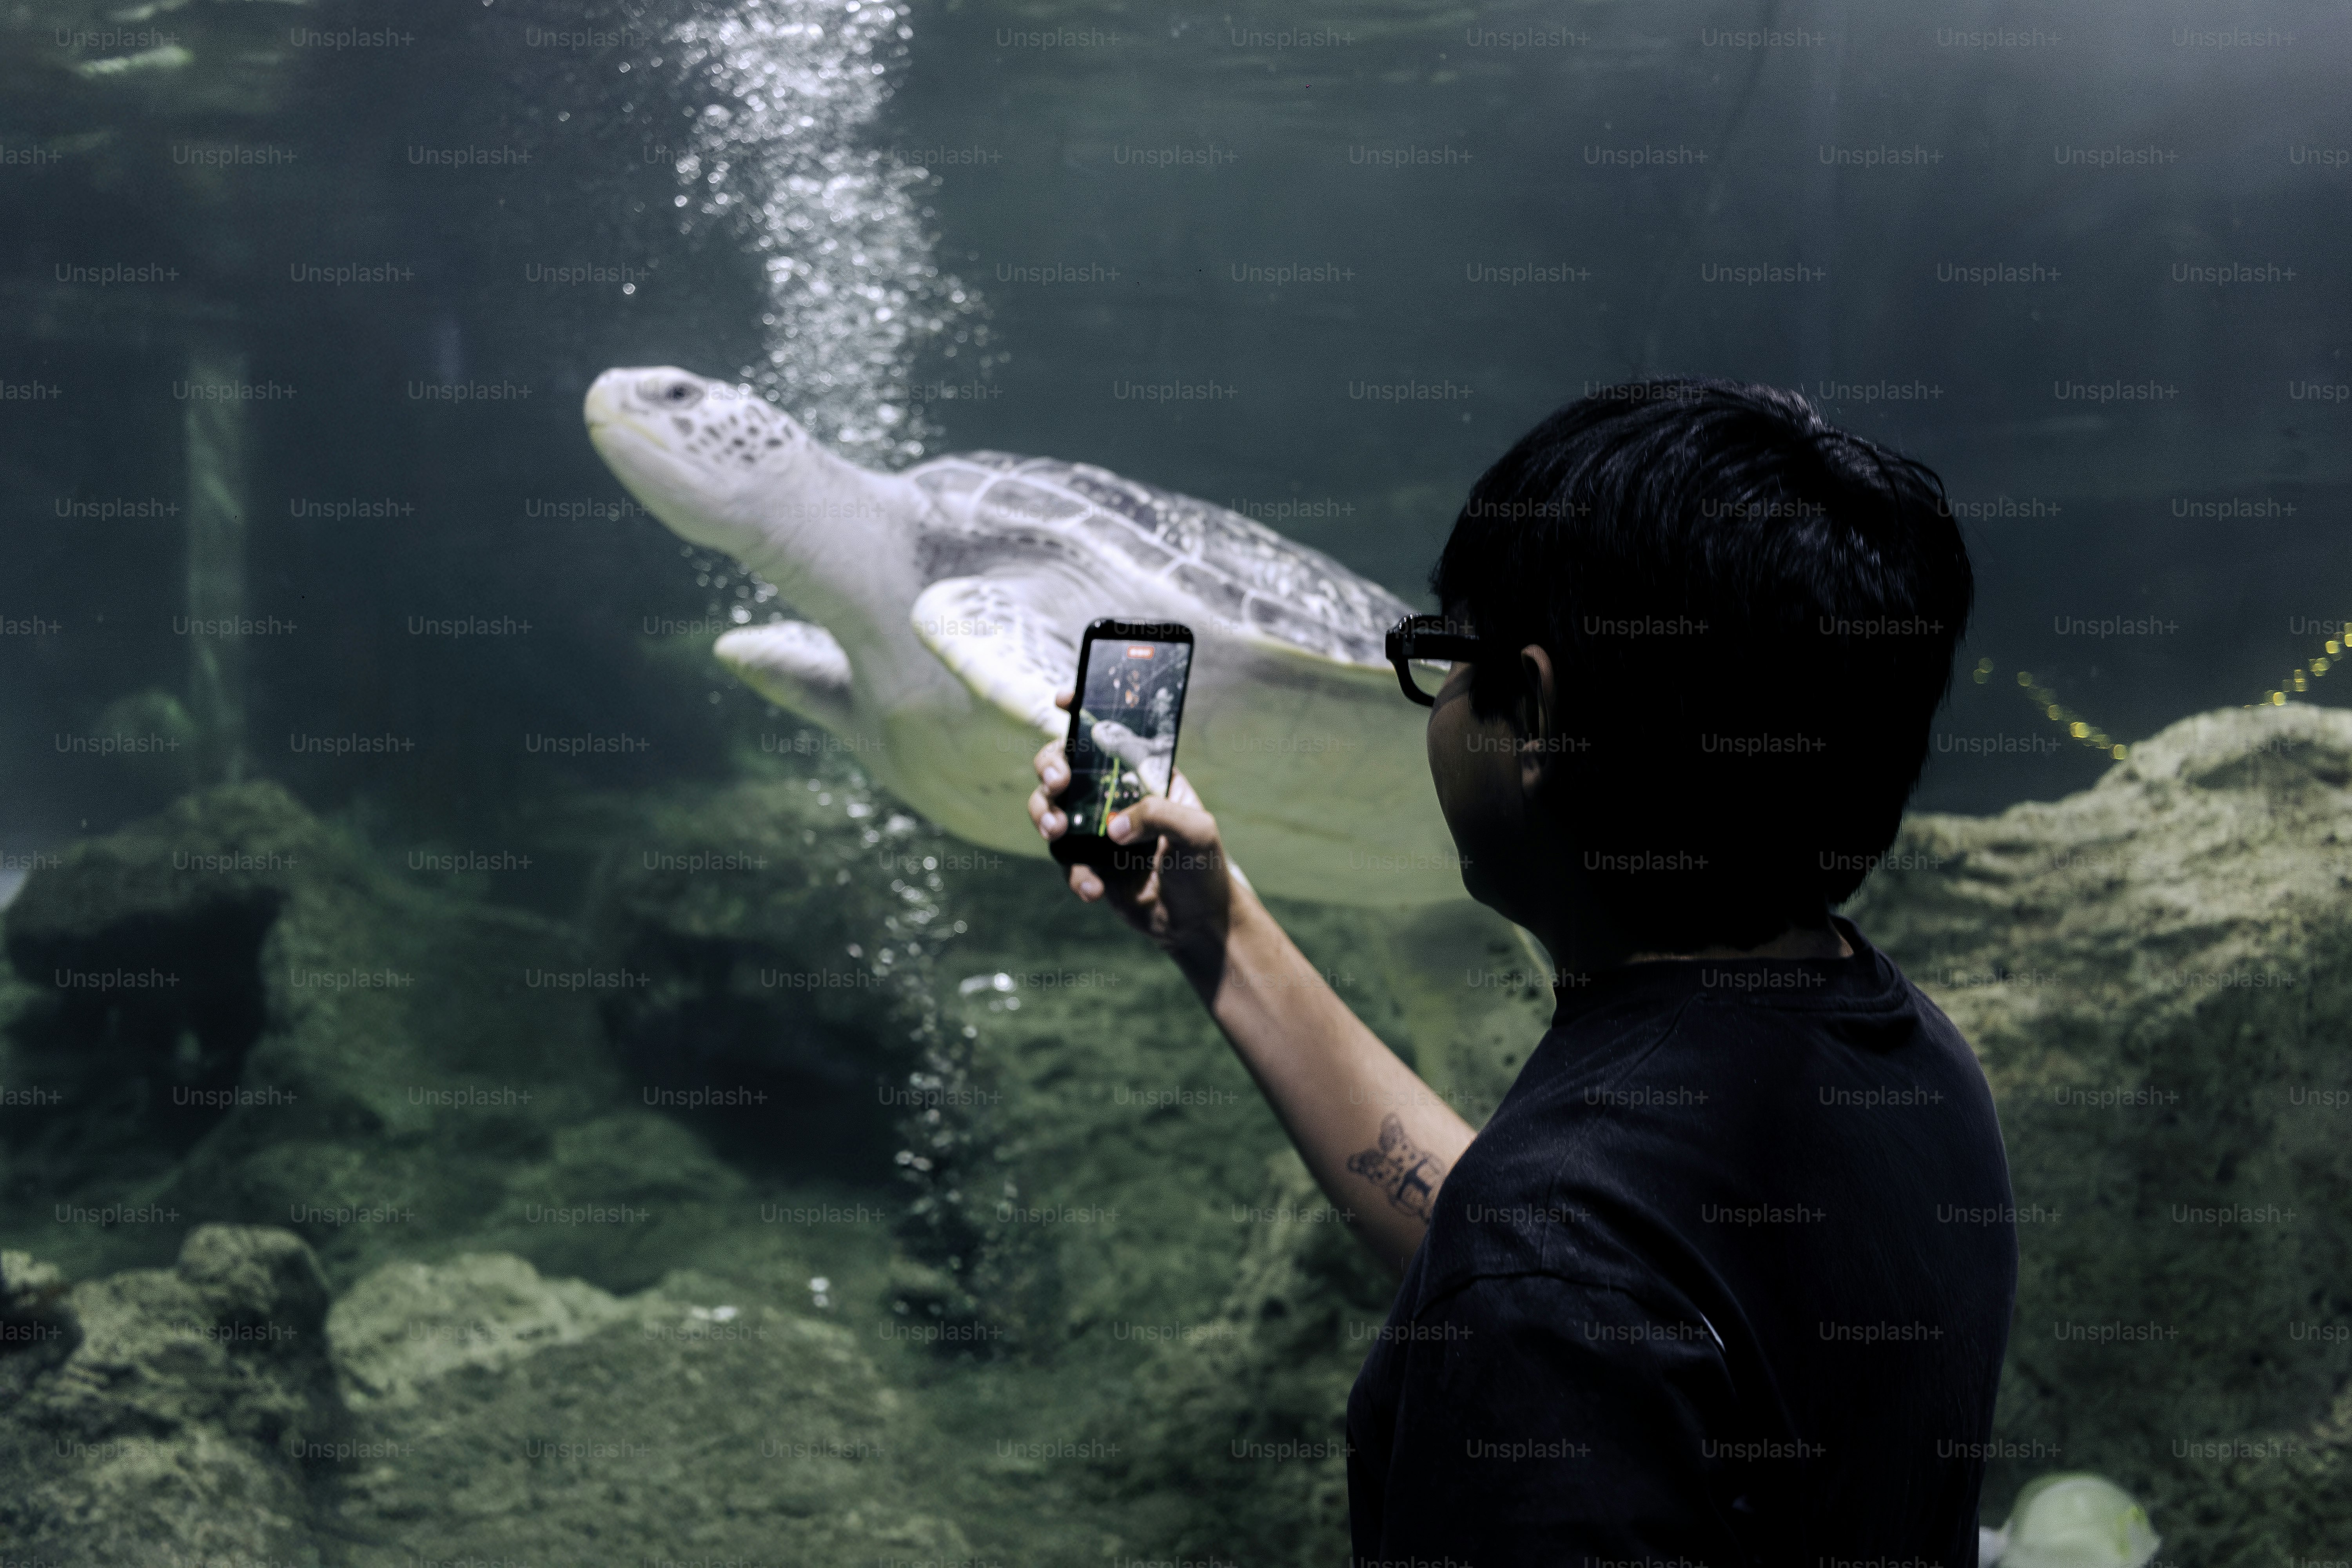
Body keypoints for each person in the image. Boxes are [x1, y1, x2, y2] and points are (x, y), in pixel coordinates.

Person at [1027, 378, 2016, 1565]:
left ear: (1532, 717)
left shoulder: (1547, 1280)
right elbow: (1565, 1244)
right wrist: (1218, 929)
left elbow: (1546, 1267)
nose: (1438, 705)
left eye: (1446, 658)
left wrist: (1511, 1268)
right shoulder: (1909, 1060)